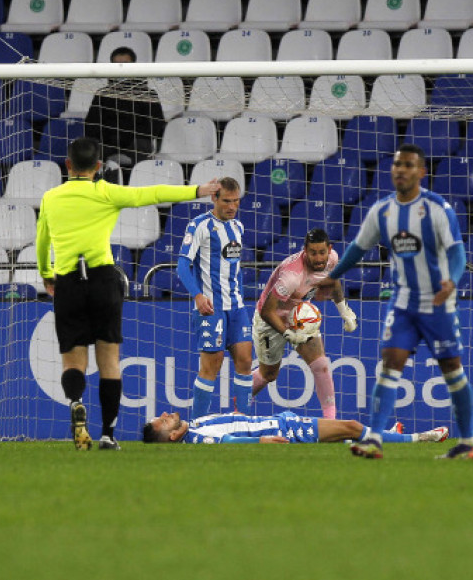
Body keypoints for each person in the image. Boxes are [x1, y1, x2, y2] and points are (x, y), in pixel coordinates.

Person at [36, 137, 221, 451]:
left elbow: (42, 241)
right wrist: (197, 190)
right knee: (109, 360)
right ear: (98, 167)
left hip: (68, 281)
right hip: (103, 281)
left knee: (73, 361)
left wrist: (46, 273)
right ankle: (108, 434)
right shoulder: (107, 191)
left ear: (67, 165)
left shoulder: (51, 198)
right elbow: (152, 193)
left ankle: (77, 405)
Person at [327, 144, 473, 460]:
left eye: (409, 165)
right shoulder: (382, 211)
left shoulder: (437, 208)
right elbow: (358, 248)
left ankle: (467, 442)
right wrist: (334, 275)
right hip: (402, 304)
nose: (401, 170)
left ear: (421, 172)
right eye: (397, 165)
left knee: (451, 368)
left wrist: (451, 279)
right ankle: (373, 438)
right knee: (390, 364)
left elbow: (456, 252)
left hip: (437, 304)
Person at [250, 229, 358, 419]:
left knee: (321, 364)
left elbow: (332, 282)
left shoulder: (332, 258)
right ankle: (239, 405)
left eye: (322, 252)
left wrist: (344, 311)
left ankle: (331, 423)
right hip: (270, 320)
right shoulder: (291, 275)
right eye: (313, 253)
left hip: (299, 315)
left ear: (329, 249)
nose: (318, 258)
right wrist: (288, 334)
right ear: (305, 251)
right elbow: (268, 311)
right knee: (268, 375)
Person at [176, 177, 254, 419]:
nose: (232, 207)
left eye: (236, 201)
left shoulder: (238, 227)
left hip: (237, 308)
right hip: (211, 307)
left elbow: (235, 268)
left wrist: (240, 297)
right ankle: (198, 424)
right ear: (214, 198)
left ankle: (243, 421)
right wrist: (198, 297)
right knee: (212, 364)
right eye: (227, 201)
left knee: (244, 360)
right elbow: (182, 265)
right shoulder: (199, 225)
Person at [84, 47, 165, 182]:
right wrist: (110, 137)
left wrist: (127, 136)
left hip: (136, 143)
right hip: (108, 141)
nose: (121, 69)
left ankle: (141, 184)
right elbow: (92, 124)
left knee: (141, 144)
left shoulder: (147, 94)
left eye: (125, 64)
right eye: (117, 65)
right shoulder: (102, 94)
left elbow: (156, 124)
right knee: (91, 147)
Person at [142, 410, 449, 446]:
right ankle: (419, 438)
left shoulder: (194, 426)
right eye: (165, 419)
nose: (168, 413)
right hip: (285, 428)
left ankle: (390, 435)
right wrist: (261, 441)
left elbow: (230, 425)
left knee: (346, 435)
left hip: (281, 420)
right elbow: (230, 441)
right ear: (173, 434)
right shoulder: (196, 438)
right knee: (352, 427)